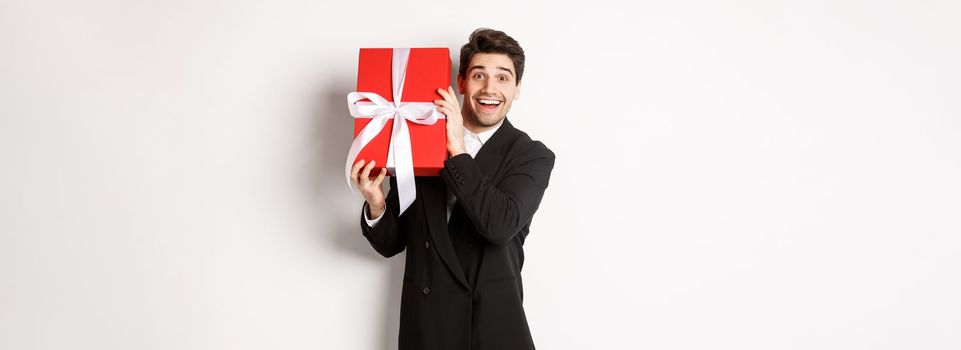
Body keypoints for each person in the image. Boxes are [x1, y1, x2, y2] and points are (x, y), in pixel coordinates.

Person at [349, 28, 555, 350]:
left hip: (493, 330)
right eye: (478, 75)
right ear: (460, 83)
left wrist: (457, 150)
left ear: (517, 89)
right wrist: (376, 204)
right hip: (426, 329)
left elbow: (498, 225)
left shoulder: (532, 155)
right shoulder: (415, 143)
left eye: (503, 78)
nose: (490, 89)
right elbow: (393, 242)